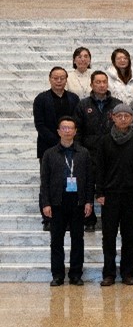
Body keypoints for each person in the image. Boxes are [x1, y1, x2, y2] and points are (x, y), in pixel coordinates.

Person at [95, 104, 133, 286]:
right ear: (113, 118)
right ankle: (109, 273)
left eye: (127, 115)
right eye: (120, 116)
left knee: (131, 236)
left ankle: (127, 273)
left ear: (132, 118)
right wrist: (99, 191)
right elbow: (99, 168)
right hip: (110, 195)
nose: (123, 119)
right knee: (109, 237)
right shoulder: (104, 141)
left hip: (131, 195)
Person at [40, 117, 93, 286]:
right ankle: (57, 275)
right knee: (56, 240)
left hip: (78, 202)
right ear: (58, 131)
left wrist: (88, 201)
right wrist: (45, 203)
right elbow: (44, 181)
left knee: (78, 239)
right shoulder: (49, 154)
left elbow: (89, 179)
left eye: (70, 128)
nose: (67, 131)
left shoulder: (83, 153)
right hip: (57, 202)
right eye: (64, 128)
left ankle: (76, 274)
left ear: (75, 131)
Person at [34, 67, 79, 229]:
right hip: (48, 147)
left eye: (62, 78)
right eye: (55, 78)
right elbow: (40, 124)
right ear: (50, 79)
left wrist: (68, 139)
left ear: (66, 79)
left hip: (70, 147)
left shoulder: (74, 98)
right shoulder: (41, 99)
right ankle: (48, 219)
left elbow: (77, 122)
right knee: (48, 181)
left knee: (69, 180)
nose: (59, 81)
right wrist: (58, 140)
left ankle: (68, 217)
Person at [73, 70, 119, 231]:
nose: (101, 85)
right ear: (91, 84)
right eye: (98, 82)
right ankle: (88, 219)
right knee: (87, 186)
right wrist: (78, 150)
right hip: (88, 152)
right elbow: (77, 130)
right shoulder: (83, 105)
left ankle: (110, 219)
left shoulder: (116, 104)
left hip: (111, 153)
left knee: (108, 187)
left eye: (104, 82)